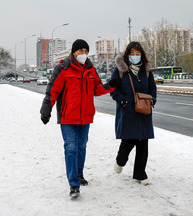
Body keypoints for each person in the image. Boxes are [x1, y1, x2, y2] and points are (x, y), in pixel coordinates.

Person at [40, 39, 119, 198]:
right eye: (80, 51)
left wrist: (110, 84)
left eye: (86, 51)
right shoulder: (63, 68)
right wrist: (46, 110)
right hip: (68, 118)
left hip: (85, 117)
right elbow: (52, 91)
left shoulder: (90, 69)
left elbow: (96, 89)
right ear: (73, 52)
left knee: (82, 147)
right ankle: (73, 184)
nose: (83, 54)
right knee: (71, 148)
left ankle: (79, 174)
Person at [110, 41, 157, 186]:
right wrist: (122, 101)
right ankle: (120, 160)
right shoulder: (120, 70)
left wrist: (152, 100)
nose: (135, 56)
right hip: (128, 111)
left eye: (138, 54)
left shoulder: (147, 71)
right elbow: (113, 89)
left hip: (144, 111)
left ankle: (140, 175)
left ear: (141, 55)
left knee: (143, 143)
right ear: (127, 55)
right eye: (132, 54)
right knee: (128, 141)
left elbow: (152, 88)